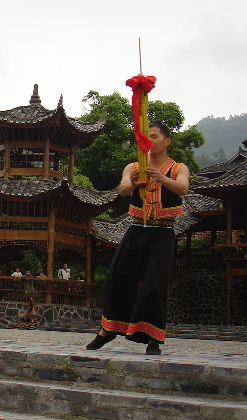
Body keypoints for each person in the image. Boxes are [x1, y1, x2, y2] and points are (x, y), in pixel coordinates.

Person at [86, 121, 190, 356]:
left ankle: (152, 338)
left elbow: (182, 189)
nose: (149, 142)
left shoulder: (178, 168)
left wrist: (161, 178)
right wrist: (133, 181)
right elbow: (123, 190)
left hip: (163, 232)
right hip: (136, 229)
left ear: (167, 141)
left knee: (154, 284)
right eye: (146, 138)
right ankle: (108, 329)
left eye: (154, 137)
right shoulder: (133, 166)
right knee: (117, 278)